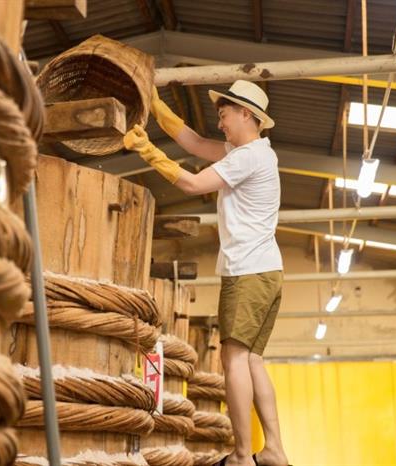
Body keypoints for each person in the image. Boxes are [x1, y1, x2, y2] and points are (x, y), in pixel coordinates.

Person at [123, 80, 289, 466]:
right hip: (266, 270)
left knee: (234, 360)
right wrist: (155, 105)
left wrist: (147, 151)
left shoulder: (248, 158)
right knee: (252, 360)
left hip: (248, 272)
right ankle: (274, 450)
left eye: (224, 114)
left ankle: (242, 456)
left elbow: (194, 183)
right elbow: (196, 144)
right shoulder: (256, 153)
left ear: (246, 114)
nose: (220, 123)